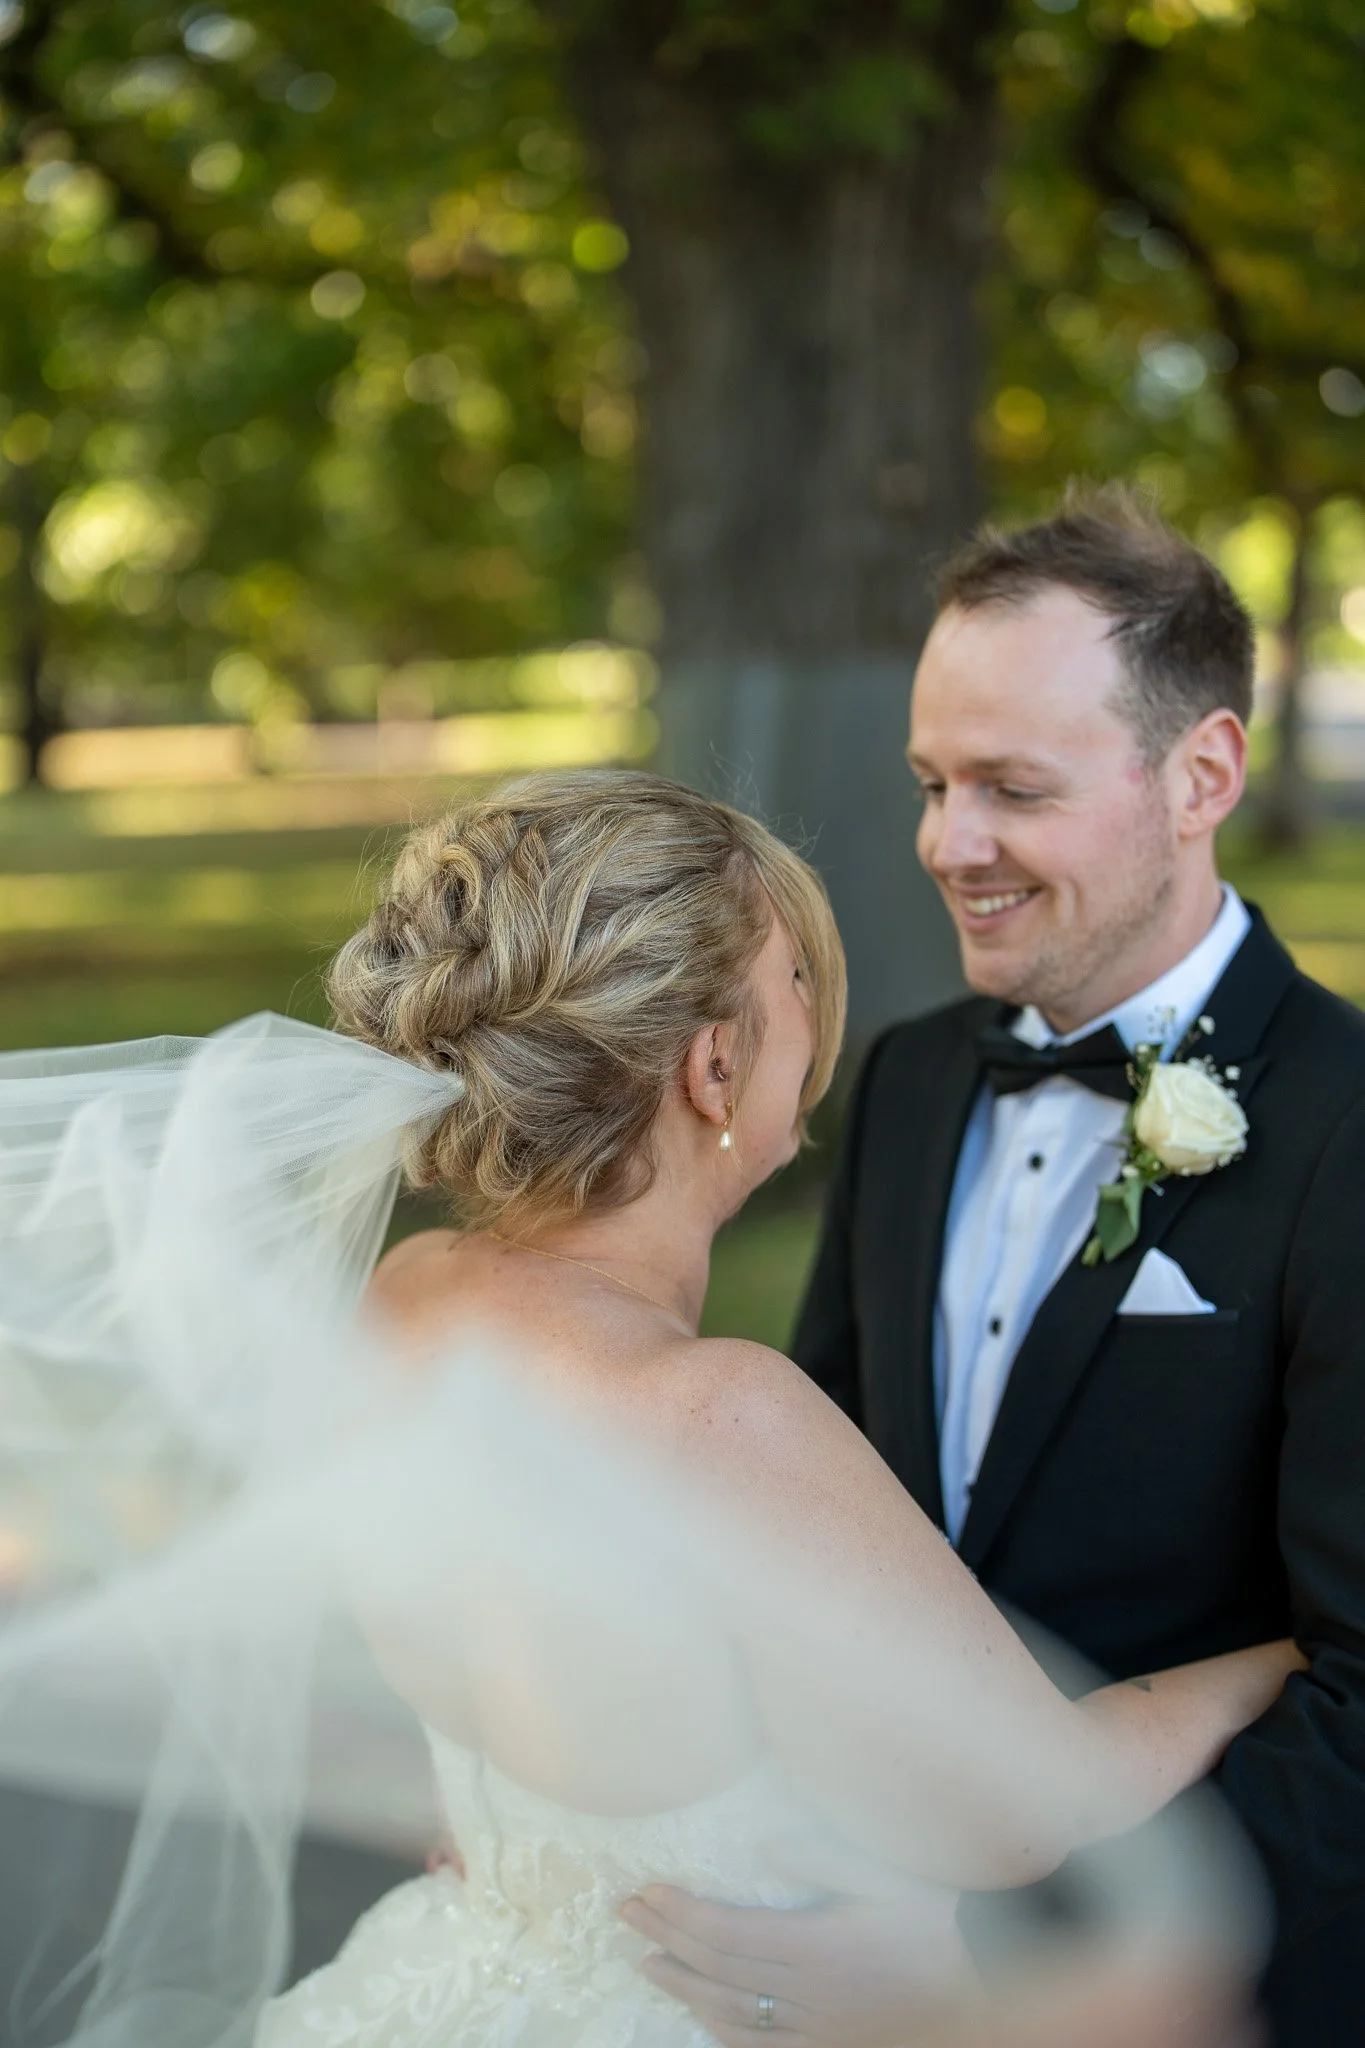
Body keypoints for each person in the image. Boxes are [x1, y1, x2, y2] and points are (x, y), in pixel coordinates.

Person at [0, 771, 1289, 2048]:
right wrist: (1273, 1667)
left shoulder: (405, 1298)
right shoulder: (716, 1412)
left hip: (447, 1980)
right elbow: (1025, 1813)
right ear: (715, 1069)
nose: (813, 1009)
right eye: (794, 980)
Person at [629, 488, 1365, 2048]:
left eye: (1012, 789)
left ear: (1203, 774)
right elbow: (805, 1511)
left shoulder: (1348, 1129)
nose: (947, 846)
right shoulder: (906, 1081)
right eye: (930, 782)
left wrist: (1004, 1957)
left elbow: (1358, 1697)